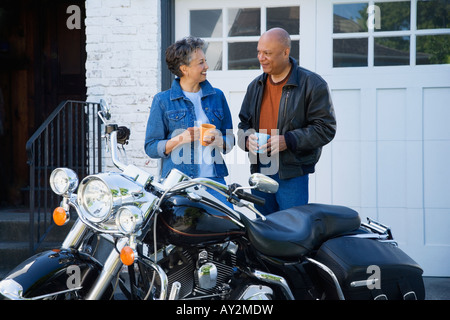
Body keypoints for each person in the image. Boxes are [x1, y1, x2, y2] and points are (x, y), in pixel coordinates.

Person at [238, 28, 336, 215]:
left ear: (285, 52)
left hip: (292, 173)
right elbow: (243, 124)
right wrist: (246, 139)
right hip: (260, 170)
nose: (261, 58)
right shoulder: (255, 86)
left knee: (292, 232)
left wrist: (289, 140)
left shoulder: (313, 84)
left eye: (267, 53)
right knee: (264, 229)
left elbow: (325, 128)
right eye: (259, 52)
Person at [145, 36, 234, 206]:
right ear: (184, 68)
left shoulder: (218, 96)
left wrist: (220, 140)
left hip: (214, 183)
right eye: (201, 62)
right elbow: (150, 147)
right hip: (179, 184)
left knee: (227, 227)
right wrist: (180, 139)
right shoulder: (163, 101)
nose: (206, 66)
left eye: (205, 61)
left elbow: (230, 139)